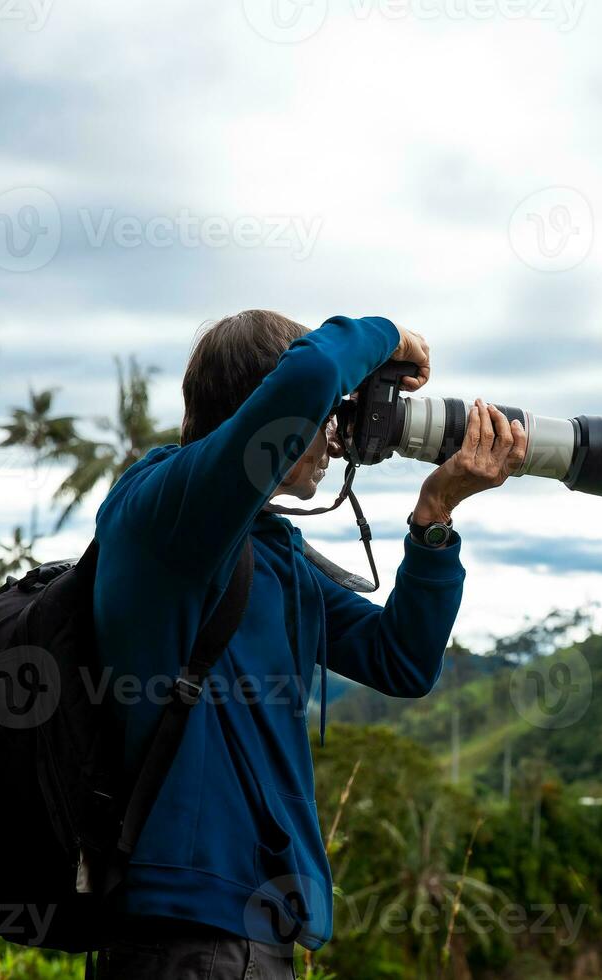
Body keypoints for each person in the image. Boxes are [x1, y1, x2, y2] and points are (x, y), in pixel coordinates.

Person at [91, 311, 525, 978]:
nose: (335, 434)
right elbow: (316, 370)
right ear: (265, 408)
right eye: (329, 413)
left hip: (250, 926)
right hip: (186, 921)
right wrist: (392, 336)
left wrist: (434, 517)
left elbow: (401, 660)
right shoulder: (164, 508)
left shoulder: (269, 553)